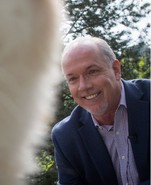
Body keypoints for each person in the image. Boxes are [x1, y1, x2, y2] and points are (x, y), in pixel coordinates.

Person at [52, 36, 150, 185]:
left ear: (116, 70)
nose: (83, 86)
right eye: (73, 79)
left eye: (92, 72)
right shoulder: (65, 136)